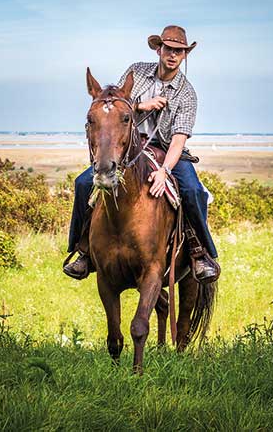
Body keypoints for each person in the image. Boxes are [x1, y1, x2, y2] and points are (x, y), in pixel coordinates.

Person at [63, 25, 220, 283]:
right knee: (83, 183)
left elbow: (179, 139)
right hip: (132, 147)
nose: (173, 55)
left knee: (193, 190)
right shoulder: (137, 72)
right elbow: (113, 106)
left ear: (185, 55)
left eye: (179, 51)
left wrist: (164, 171)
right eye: (168, 49)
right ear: (159, 49)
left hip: (168, 151)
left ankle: (200, 253)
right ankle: (82, 251)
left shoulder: (187, 94)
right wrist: (140, 105)